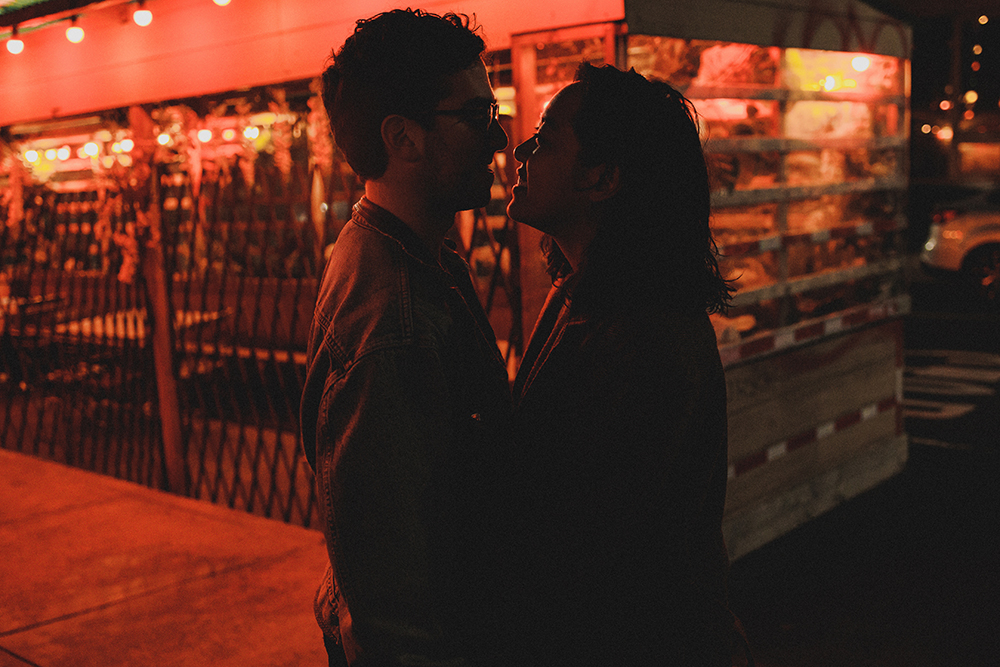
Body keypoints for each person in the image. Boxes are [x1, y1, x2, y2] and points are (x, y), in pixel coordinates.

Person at [505, 63, 748, 666]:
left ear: (604, 177)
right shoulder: (583, 293)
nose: (520, 152)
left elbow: (594, 547)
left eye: (546, 137)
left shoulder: (643, 334)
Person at [299, 10, 513, 667]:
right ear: (404, 138)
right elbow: (385, 587)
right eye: (476, 115)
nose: (500, 137)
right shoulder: (392, 314)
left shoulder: (411, 253)